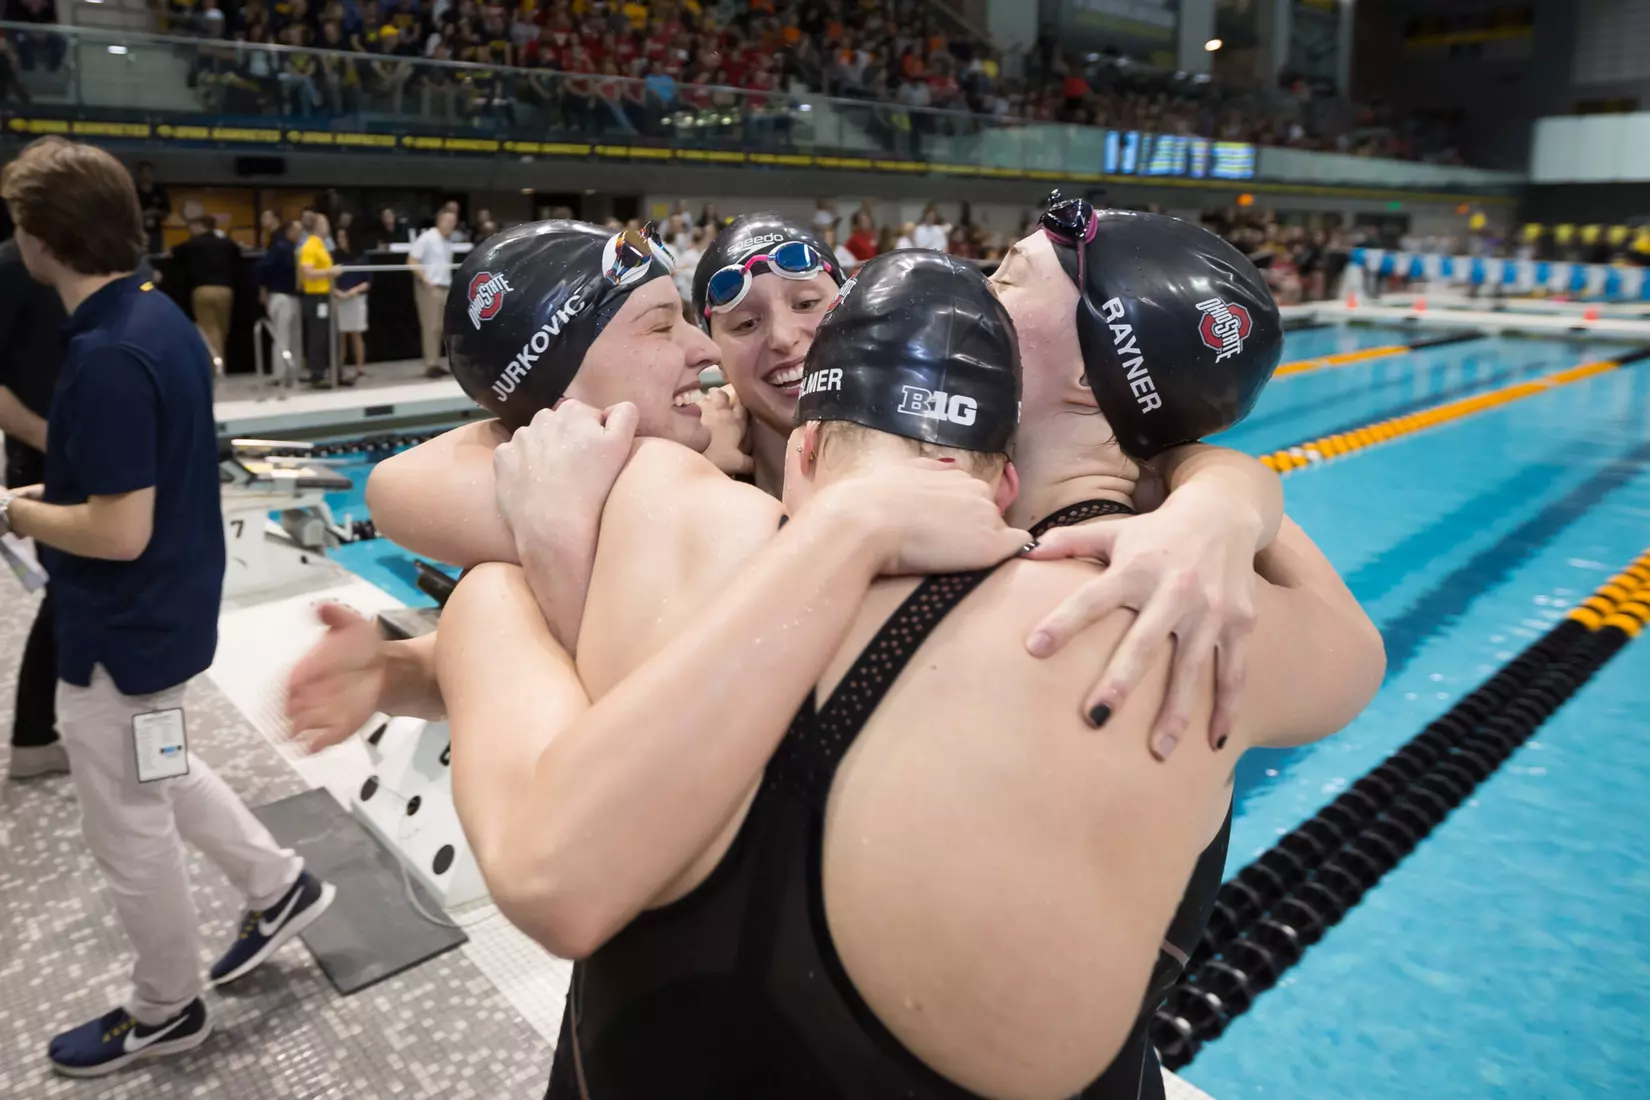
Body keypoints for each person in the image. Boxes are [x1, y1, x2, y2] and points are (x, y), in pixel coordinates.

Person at [434, 242, 1382, 1098]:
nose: (985, 279)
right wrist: (1219, 484)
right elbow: (1355, 657)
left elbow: (421, 487)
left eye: (1008, 276)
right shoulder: (1171, 628)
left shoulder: (668, 520)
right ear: (999, 480)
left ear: (806, 446)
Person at [0, 137, 334, 1077]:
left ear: (44, 239)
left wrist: (15, 511)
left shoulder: (107, 354)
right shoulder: (158, 320)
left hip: (120, 632)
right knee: (164, 767)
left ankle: (166, 1008)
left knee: (129, 828)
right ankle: (279, 885)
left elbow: (118, 530)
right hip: (165, 616)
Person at [0, 234, 67, 779]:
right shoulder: (12, 266)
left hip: (72, 453)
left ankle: (39, 731)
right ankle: (33, 735)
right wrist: (50, 439)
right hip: (47, 459)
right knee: (67, 594)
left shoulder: (70, 264)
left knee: (74, 593)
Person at [169, 213, 241, 375]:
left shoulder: (192, 244)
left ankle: (214, 369)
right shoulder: (225, 243)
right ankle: (221, 364)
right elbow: (238, 252)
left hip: (202, 290)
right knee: (222, 330)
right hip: (226, 290)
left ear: (199, 226)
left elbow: (173, 252)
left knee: (209, 330)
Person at [407, 206, 457, 378]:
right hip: (430, 287)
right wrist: (425, 279)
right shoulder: (427, 238)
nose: (451, 224)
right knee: (431, 327)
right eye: (448, 221)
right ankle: (430, 364)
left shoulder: (447, 241)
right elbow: (412, 260)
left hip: (445, 286)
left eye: (453, 221)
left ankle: (436, 362)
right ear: (439, 221)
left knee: (441, 327)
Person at [297, 211, 343, 388]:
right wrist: (330, 272)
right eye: (325, 224)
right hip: (315, 297)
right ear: (317, 226)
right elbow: (308, 273)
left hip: (325, 295)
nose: (328, 227)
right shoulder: (309, 246)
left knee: (331, 335)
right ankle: (317, 374)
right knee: (318, 335)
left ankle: (335, 372)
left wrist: (332, 291)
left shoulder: (322, 246)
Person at [255, 212, 302, 381]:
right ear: (288, 231)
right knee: (282, 336)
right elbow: (263, 268)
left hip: (293, 295)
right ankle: (280, 373)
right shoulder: (280, 248)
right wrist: (263, 289)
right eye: (296, 231)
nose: (299, 234)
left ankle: (293, 371)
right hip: (280, 295)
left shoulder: (294, 249)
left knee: (294, 336)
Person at [331, 223, 368, 383]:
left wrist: (354, 290)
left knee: (356, 333)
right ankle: (339, 365)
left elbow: (367, 280)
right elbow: (329, 278)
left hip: (356, 298)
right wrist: (336, 292)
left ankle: (360, 367)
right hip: (339, 298)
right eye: (338, 237)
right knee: (341, 334)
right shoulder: (334, 255)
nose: (341, 240)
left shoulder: (361, 255)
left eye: (343, 237)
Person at [133, 161, 170, 257]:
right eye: (144, 172)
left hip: (155, 231)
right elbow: (128, 212)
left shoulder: (160, 190)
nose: (147, 175)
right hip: (138, 231)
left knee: (156, 257)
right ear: (139, 174)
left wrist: (155, 212)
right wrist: (143, 215)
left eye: (149, 172)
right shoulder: (133, 191)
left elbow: (167, 211)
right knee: (139, 257)